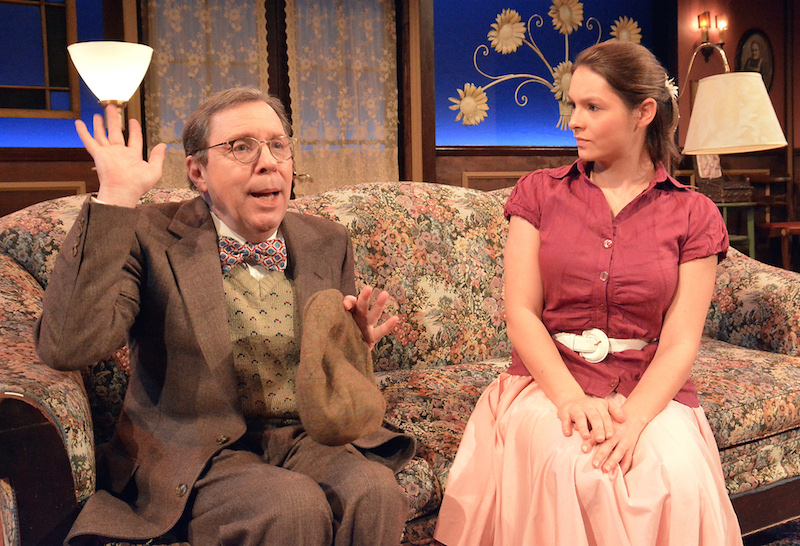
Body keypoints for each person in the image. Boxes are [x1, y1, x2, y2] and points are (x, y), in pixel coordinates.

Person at [35, 87, 412, 546]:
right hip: (198, 452)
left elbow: (333, 366)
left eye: (278, 145)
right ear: (198, 172)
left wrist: (353, 347)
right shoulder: (149, 235)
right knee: (291, 506)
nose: (268, 161)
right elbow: (68, 346)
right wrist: (115, 199)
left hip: (304, 436)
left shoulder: (327, 240)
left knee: (376, 492)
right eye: (240, 147)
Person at [434, 41, 743, 545]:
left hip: (647, 383)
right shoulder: (538, 193)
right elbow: (521, 313)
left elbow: (682, 341)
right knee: (575, 467)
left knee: (672, 471)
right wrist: (570, 399)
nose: (574, 121)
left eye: (593, 107)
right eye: (572, 105)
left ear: (644, 112)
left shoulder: (695, 214)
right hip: (550, 377)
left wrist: (636, 418)